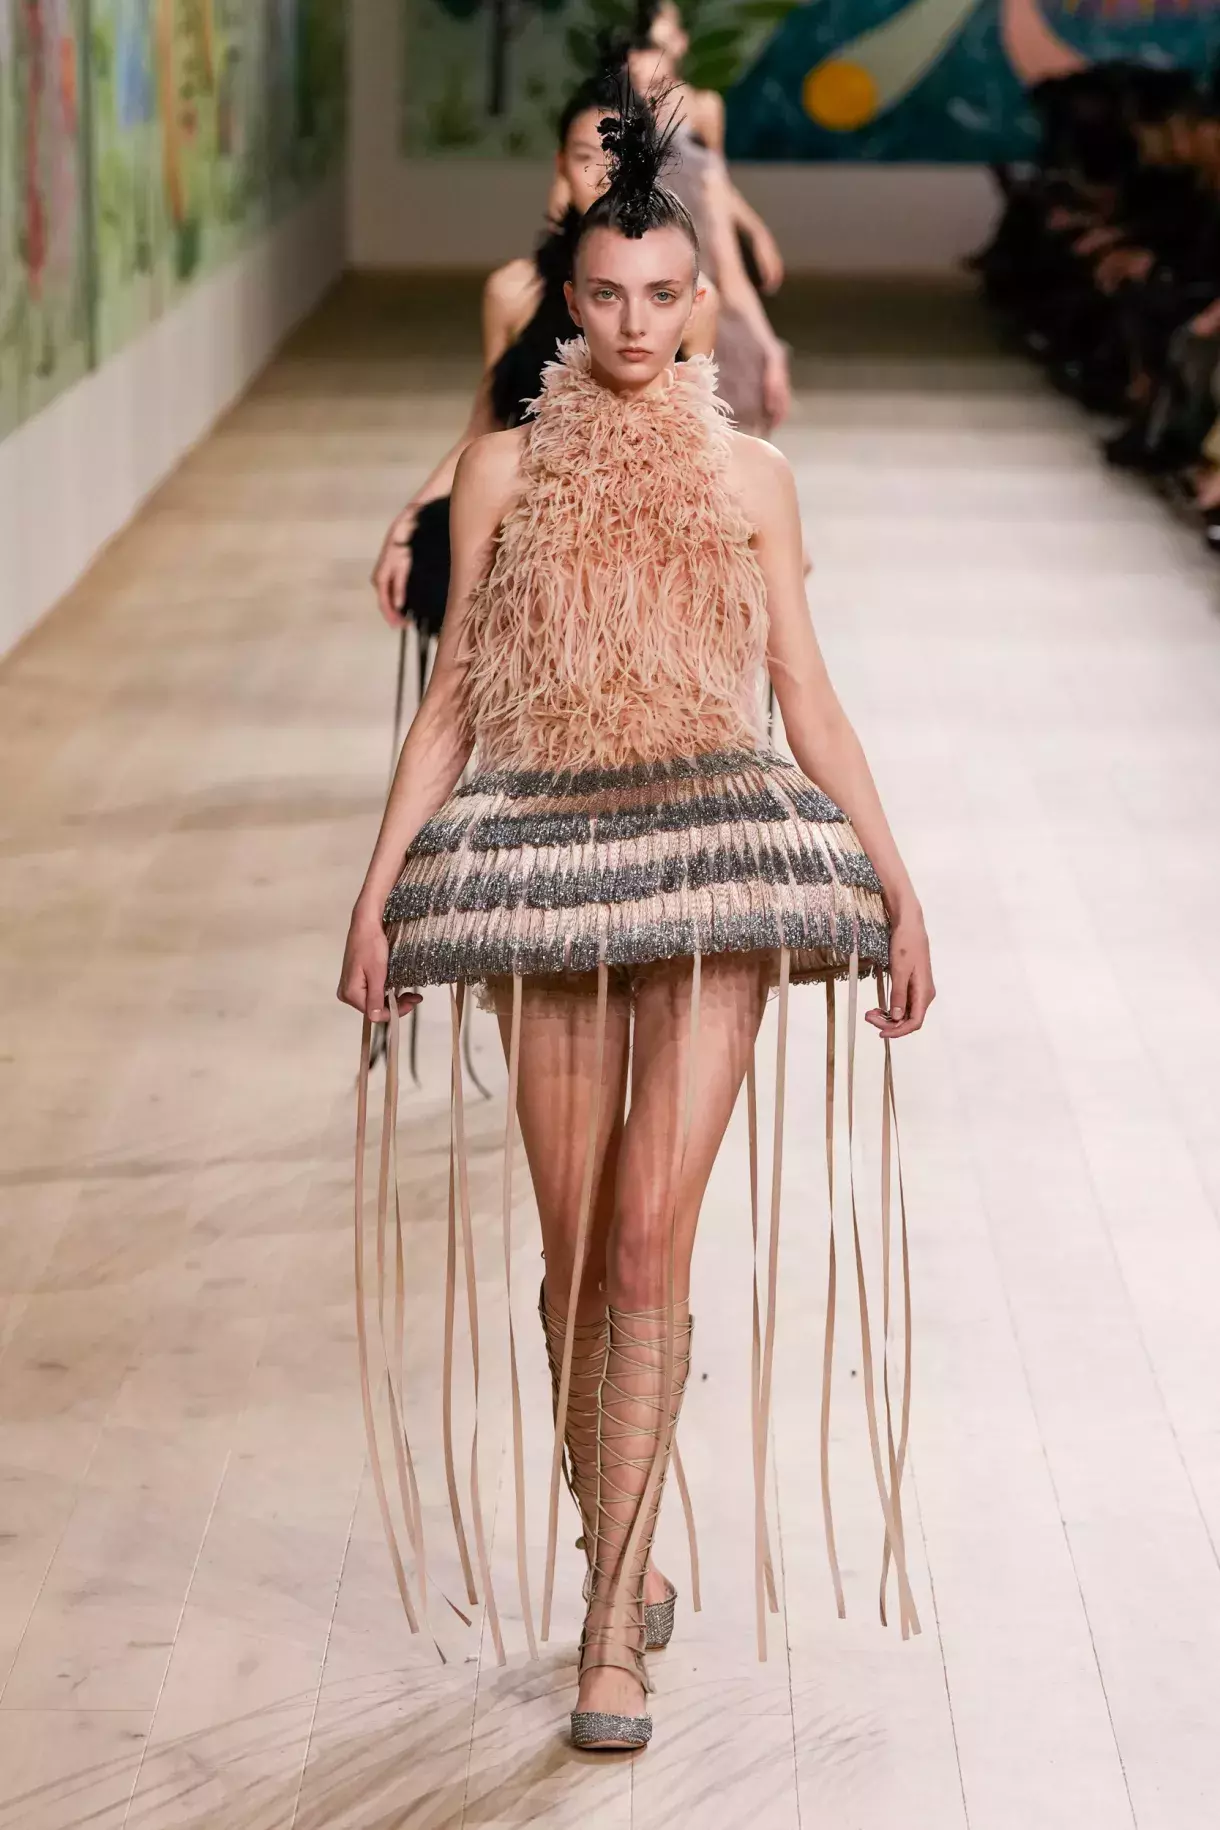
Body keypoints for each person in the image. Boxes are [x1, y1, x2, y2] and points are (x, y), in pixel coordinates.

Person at [339, 87, 932, 1754]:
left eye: (664, 296)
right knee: (577, 1248)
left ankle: (612, 1623)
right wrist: (375, 894)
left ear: (700, 302)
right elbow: (454, 701)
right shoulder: (497, 470)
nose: (633, 325)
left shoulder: (754, 478)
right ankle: (617, 1526)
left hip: (718, 862)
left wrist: (898, 883)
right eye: (604, 295)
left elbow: (806, 691)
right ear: (566, 296)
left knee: (655, 1241)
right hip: (541, 872)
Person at [370, 73, 718, 631]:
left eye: (616, 155)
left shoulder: (692, 303)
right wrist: (406, 524)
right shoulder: (513, 292)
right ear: (560, 164)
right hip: (527, 526)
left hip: (647, 527)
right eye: (584, 157)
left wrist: (766, 526)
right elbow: (483, 429)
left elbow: (705, 429)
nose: (601, 174)